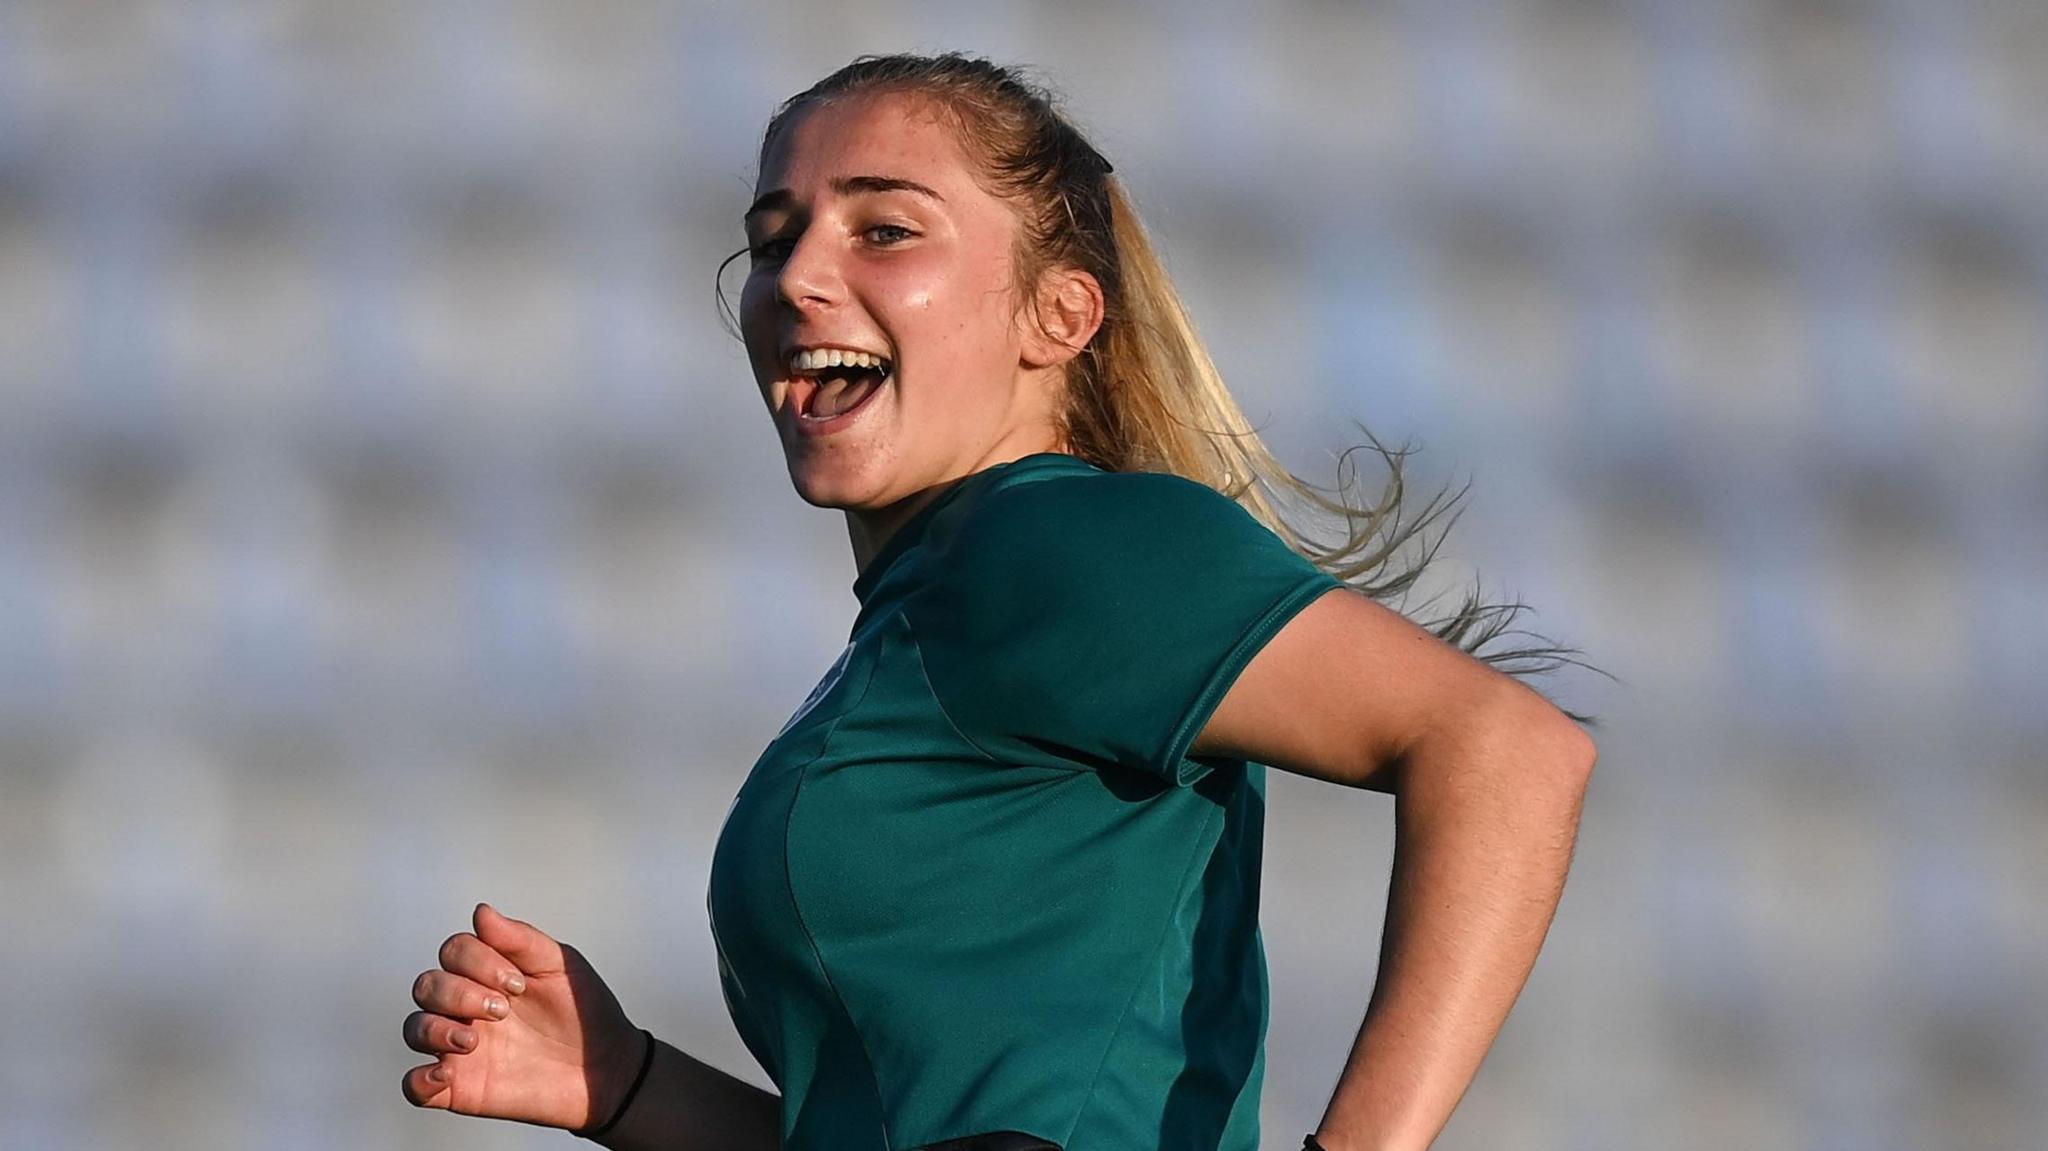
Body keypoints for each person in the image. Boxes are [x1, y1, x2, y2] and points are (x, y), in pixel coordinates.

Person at [400, 53, 1598, 1151]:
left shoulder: (1056, 542)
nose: (799, 276)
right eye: (774, 238)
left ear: (1058, 315)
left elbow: (1505, 748)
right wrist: (629, 1083)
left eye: (884, 230)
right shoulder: (929, 607)